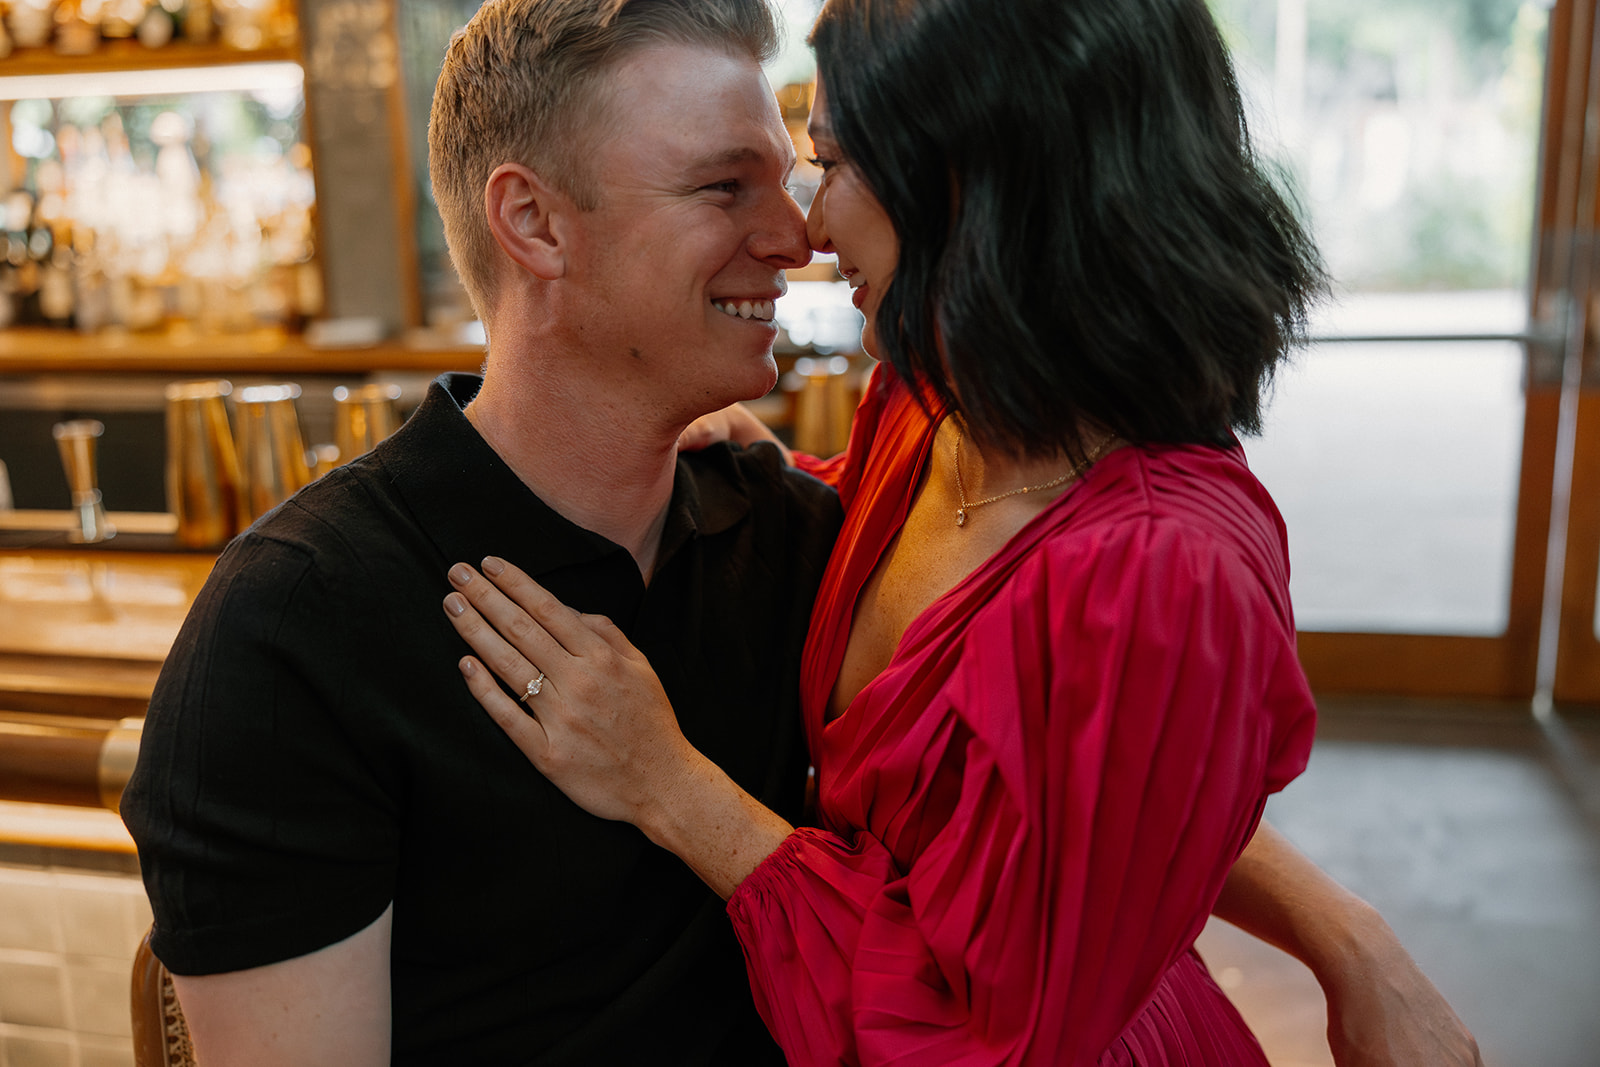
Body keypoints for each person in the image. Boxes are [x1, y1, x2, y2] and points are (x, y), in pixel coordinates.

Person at [439, 0, 1484, 1063]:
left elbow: (986, 1029)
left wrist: (669, 785)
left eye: (834, 163)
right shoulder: (930, 411)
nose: (806, 229)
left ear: (976, 180)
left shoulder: (1161, 572)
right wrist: (767, 470)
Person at [120, 1, 839, 1062]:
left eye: (784, 176)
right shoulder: (297, 624)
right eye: (725, 185)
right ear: (535, 223)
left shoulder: (798, 536)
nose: (795, 236)